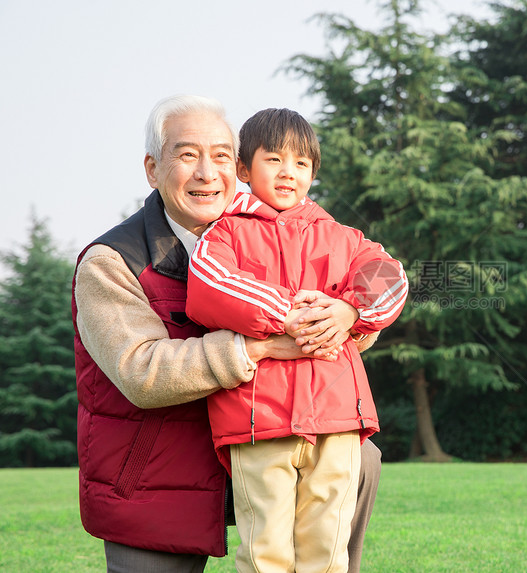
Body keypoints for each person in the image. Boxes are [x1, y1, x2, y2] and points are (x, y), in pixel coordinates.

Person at [73, 95, 382, 573]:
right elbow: (142, 372)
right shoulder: (111, 262)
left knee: (360, 458)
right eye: (187, 155)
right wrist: (258, 347)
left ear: (236, 168)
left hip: (269, 433)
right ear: (153, 169)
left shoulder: (283, 231)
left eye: (219, 155)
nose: (206, 172)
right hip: (162, 468)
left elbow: (360, 289)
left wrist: (344, 314)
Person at [185, 107, 408, 573]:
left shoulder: (343, 237)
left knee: (328, 549)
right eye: (274, 159)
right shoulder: (225, 232)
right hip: (256, 419)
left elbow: (392, 279)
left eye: (302, 163)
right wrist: (292, 313)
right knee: (266, 551)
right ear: (244, 169)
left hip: (337, 416)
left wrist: (350, 311)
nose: (289, 172)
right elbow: (211, 285)